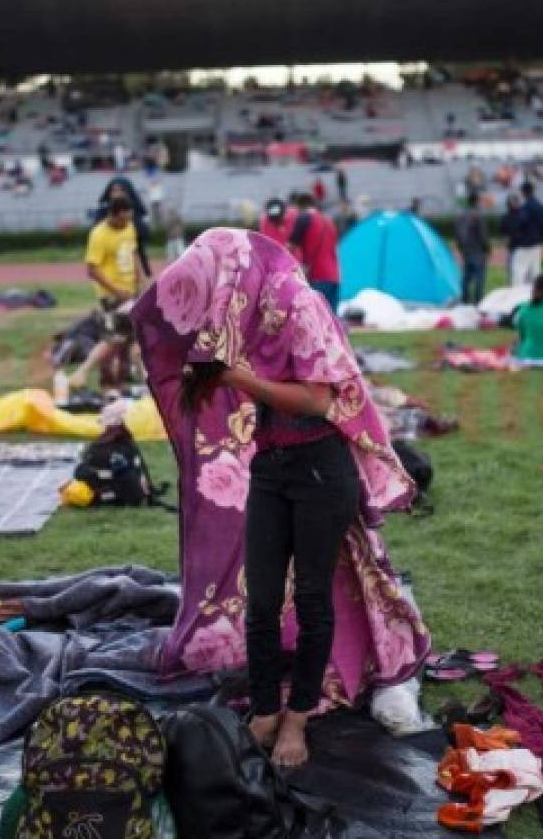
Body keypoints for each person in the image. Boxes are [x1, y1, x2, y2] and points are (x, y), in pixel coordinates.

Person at [138, 229, 426, 769]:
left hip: (320, 468)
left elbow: (318, 400)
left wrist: (238, 379)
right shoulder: (240, 308)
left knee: (313, 598)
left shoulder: (300, 301)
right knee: (263, 597)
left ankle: (298, 718)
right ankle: (267, 708)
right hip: (271, 465)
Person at [73, 197, 143, 389]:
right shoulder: (99, 235)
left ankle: (121, 378)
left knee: (127, 338)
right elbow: (92, 269)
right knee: (117, 339)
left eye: (129, 219)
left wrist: (141, 278)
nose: (126, 224)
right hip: (112, 296)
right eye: (123, 220)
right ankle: (86, 372)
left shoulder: (129, 227)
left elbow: (133, 253)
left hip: (131, 292)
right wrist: (116, 291)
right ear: (112, 215)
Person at [94, 177, 153, 279]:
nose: (117, 194)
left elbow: (143, 236)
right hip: (109, 262)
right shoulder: (102, 212)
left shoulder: (134, 212)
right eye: (114, 190)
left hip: (133, 261)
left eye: (121, 190)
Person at [290, 193, 341, 312]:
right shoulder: (328, 221)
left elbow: (289, 247)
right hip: (334, 276)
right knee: (331, 321)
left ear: (300, 206)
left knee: (316, 319)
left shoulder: (304, 218)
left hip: (317, 275)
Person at [511, 181, 543, 287]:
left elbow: (520, 224)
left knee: (518, 272)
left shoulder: (525, 208)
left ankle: (517, 297)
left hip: (524, 244)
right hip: (537, 243)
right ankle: (536, 296)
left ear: (523, 192)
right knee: (535, 273)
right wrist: (542, 237)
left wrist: (517, 237)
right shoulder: (541, 206)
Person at [454, 200, 490, 305]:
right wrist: (487, 248)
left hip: (466, 251)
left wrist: (461, 248)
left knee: (466, 277)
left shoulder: (460, 217)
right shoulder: (477, 216)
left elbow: (457, 234)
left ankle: (464, 299)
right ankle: (478, 301)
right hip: (477, 250)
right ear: (477, 202)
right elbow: (483, 235)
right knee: (479, 278)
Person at [501, 193, 524, 284]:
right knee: (512, 269)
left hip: (522, 246)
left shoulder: (522, 216)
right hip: (513, 246)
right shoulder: (506, 217)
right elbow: (504, 233)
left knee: (520, 269)